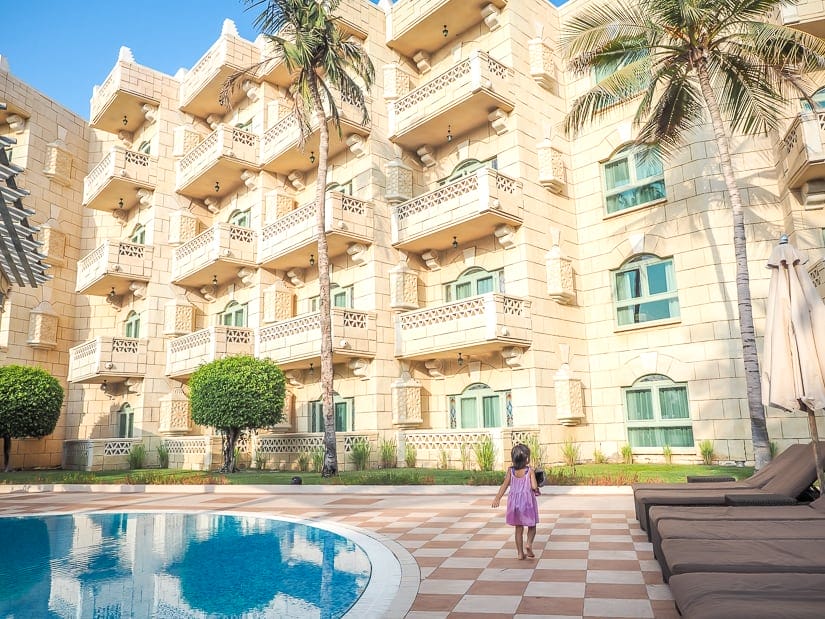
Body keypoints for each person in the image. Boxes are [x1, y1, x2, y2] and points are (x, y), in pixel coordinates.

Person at [492, 443, 540, 559]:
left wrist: (497, 498)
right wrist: (537, 487)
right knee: (532, 525)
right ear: (527, 458)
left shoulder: (510, 471)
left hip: (514, 503)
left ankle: (520, 553)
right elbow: (533, 486)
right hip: (527, 502)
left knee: (518, 528)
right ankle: (528, 544)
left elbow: (504, 485)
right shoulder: (530, 471)